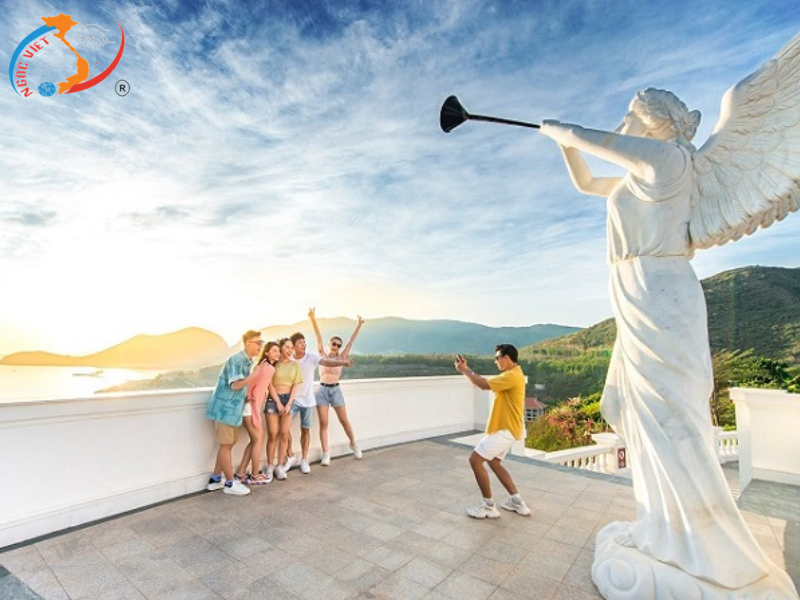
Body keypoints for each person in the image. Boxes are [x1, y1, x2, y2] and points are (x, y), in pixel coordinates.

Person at [539, 89, 773, 588]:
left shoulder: (669, 161)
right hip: (635, 290)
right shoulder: (639, 175)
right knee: (635, 409)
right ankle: (661, 527)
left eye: (630, 114)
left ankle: (704, 543)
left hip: (658, 289)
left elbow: (596, 141)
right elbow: (587, 182)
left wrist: (567, 131)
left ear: (650, 121)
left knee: (671, 415)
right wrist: (562, 145)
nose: (623, 120)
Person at [454, 345, 530, 519]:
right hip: (509, 429)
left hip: (504, 429)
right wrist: (466, 370)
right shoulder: (514, 374)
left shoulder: (511, 376)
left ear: (507, 357)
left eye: (497, 358)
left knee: (475, 460)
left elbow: (483, 384)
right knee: (494, 463)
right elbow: (482, 382)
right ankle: (518, 502)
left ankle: (488, 506)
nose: (495, 361)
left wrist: (464, 370)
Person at [284, 330, 353, 474]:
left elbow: (327, 362)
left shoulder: (311, 357)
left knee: (306, 430)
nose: (304, 344)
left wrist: (343, 362)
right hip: (292, 399)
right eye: (300, 343)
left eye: (304, 342)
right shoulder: (289, 358)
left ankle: (304, 460)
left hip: (308, 400)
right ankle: (289, 456)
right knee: (284, 430)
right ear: (293, 346)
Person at [205, 330, 262, 496]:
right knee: (226, 445)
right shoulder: (237, 360)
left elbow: (239, 388)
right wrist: (254, 376)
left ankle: (215, 479)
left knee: (228, 444)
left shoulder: (247, 362)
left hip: (231, 411)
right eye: (258, 342)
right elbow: (235, 385)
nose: (261, 345)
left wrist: (245, 397)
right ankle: (230, 483)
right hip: (224, 410)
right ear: (248, 344)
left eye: (262, 342)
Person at [309, 308, 364, 464]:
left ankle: (353, 444)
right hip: (322, 390)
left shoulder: (342, 357)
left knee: (343, 420)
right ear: (329, 344)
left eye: (339, 345)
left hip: (336, 390)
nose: (336, 347)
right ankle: (326, 453)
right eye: (334, 344)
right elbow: (318, 336)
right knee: (324, 423)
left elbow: (351, 341)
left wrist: (359, 325)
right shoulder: (322, 355)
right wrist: (313, 319)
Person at [235, 341, 280, 484]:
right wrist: (256, 413)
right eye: (274, 351)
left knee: (255, 440)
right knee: (258, 440)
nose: (278, 353)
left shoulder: (263, 366)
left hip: (248, 406)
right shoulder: (269, 369)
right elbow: (255, 390)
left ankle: (241, 473)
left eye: (278, 351)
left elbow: (261, 385)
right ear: (266, 353)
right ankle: (254, 475)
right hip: (250, 408)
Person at [270, 337, 302, 481]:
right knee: (273, 434)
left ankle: (280, 466)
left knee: (284, 433)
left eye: (291, 348)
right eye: (287, 347)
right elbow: (269, 384)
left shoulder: (295, 365)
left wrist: (289, 404)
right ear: (281, 348)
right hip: (273, 400)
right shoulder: (274, 364)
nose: (290, 350)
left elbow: (295, 386)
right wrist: (278, 402)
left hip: (288, 400)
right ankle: (270, 466)